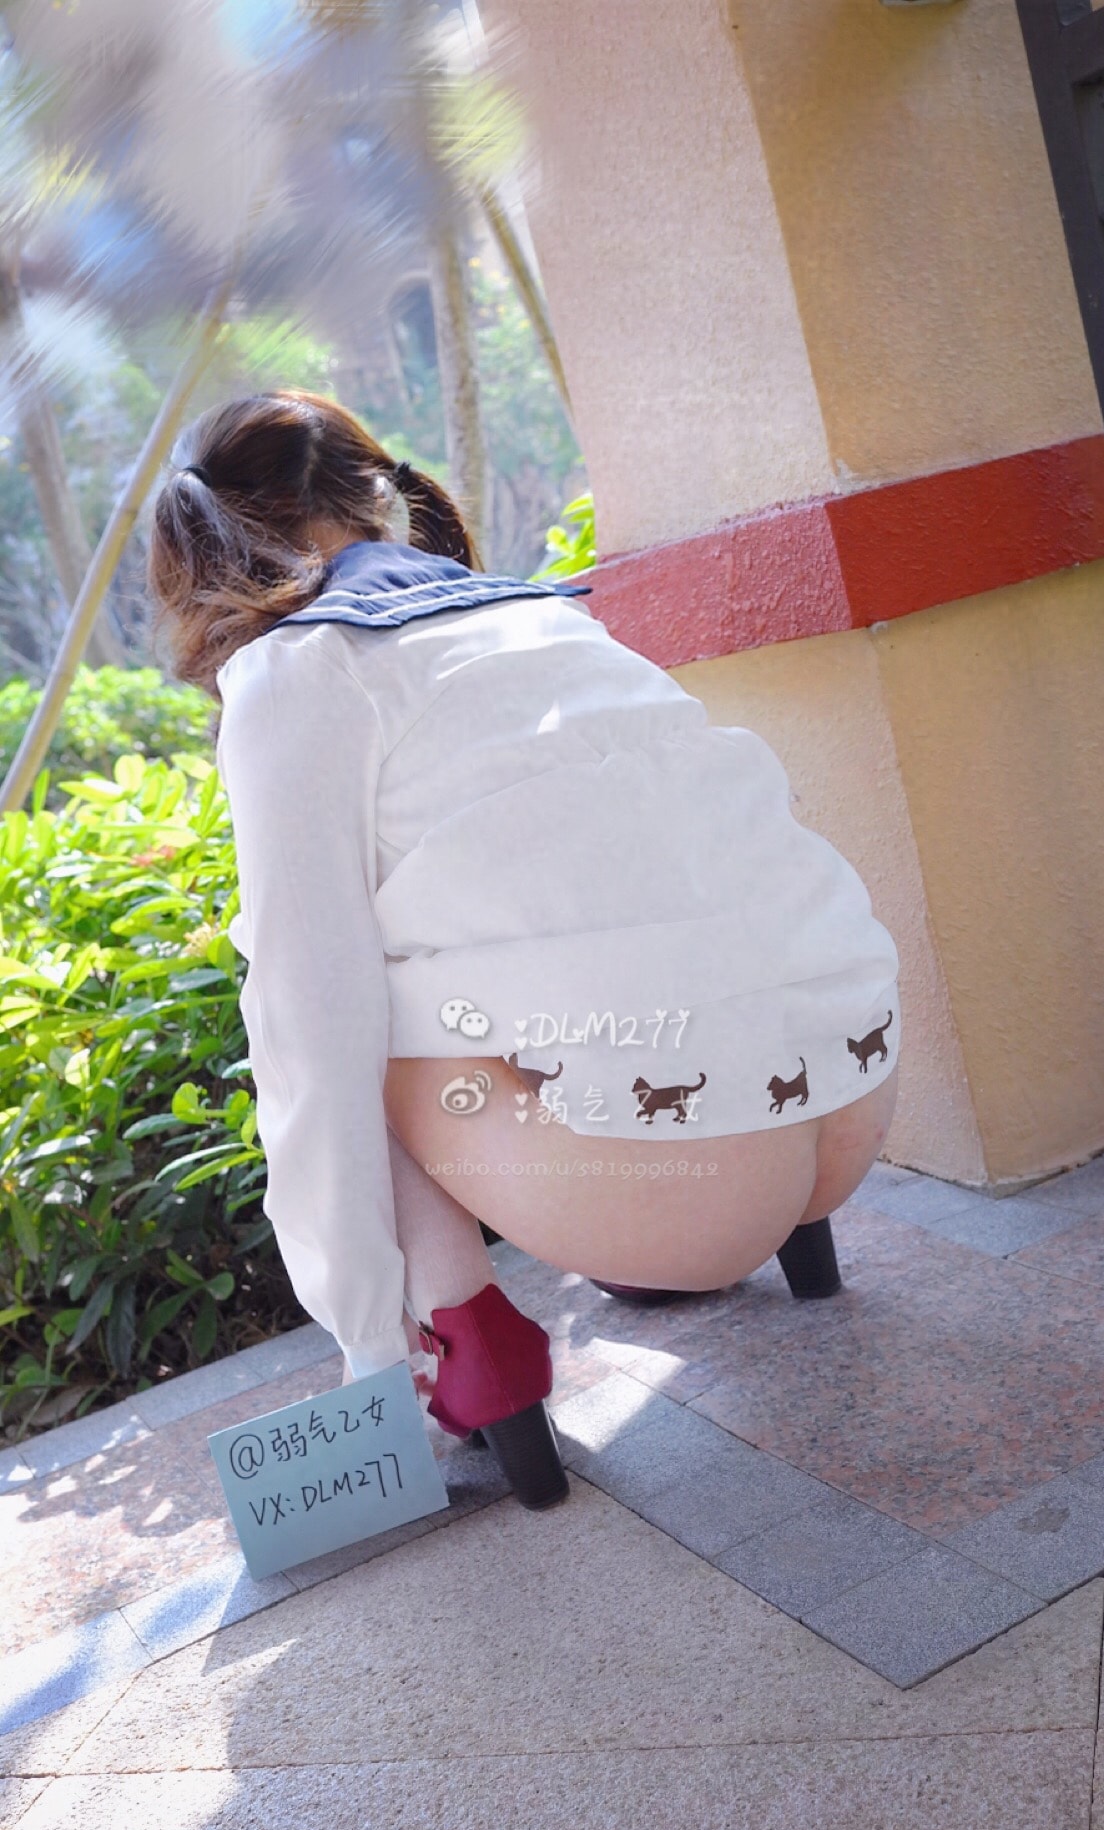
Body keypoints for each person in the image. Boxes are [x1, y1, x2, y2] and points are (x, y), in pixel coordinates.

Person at [147, 389, 901, 1512]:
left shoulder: (298, 669)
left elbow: (310, 1026)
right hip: (854, 1092)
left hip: (680, 1184)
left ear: (208, 554)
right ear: (378, 492)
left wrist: (367, 1344)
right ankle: (779, 1237)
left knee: (332, 1016)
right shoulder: (540, 613)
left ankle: (468, 1350)